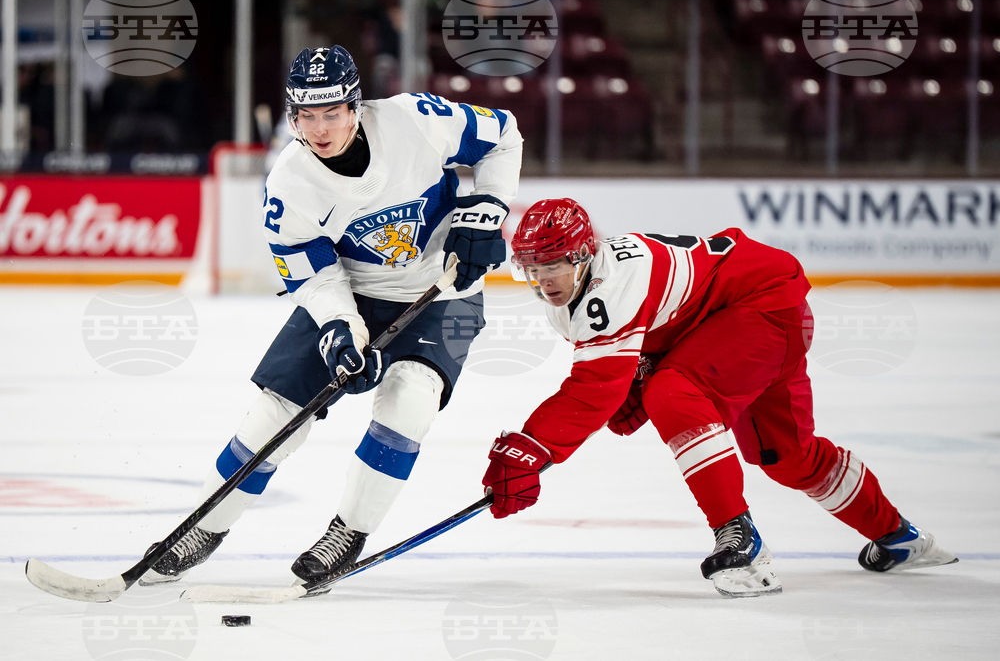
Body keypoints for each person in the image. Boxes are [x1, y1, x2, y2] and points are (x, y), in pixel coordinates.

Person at [140, 46, 522, 586]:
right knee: (275, 414)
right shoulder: (288, 185)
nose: (319, 129)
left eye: (331, 113)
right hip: (354, 292)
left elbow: (504, 135)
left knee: (410, 398)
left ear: (355, 107)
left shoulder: (415, 120)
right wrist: (342, 328)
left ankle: (349, 532)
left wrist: (487, 207)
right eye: (306, 115)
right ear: (292, 116)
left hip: (442, 290)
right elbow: (315, 277)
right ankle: (203, 527)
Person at [481, 198, 956, 597]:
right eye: (532, 269)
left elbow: (594, 390)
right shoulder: (578, 293)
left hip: (762, 306)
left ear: (584, 254)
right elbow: (655, 331)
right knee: (786, 455)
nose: (544, 280)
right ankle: (899, 536)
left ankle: (739, 538)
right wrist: (641, 368)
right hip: (750, 314)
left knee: (673, 391)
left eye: (553, 265)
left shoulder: (611, 285)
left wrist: (530, 448)